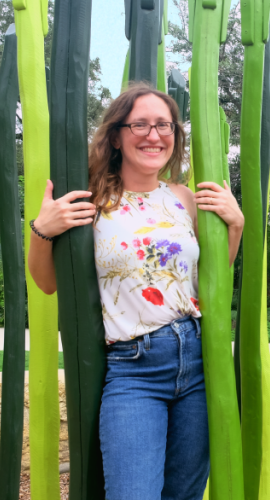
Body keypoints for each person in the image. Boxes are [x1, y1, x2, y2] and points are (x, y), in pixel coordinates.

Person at [27, 84, 244, 499]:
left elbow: (209, 279)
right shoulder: (92, 200)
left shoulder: (183, 197)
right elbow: (47, 282)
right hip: (134, 367)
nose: (154, 135)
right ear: (115, 135)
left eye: (164, 125)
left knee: (183, 494)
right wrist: (43, 230)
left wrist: (235, 226)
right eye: (140, 124)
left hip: (200, 361)